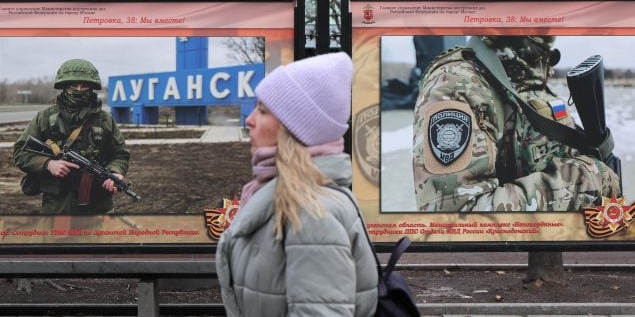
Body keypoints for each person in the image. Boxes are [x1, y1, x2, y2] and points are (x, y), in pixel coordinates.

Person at [216, 52, 378, 316]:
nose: (250, 120)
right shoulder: (281, 196)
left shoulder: (311, 213)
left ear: (295, 128)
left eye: (263, 110)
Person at [413, 36, 621, 212]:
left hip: (549, 253)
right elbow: (458, 217)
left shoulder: (527, 76)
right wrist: (587, 180)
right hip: (504, 259)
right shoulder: (458, 83)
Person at [13, 58, 130, 215]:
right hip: (57, 207)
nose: (79, 90)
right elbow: (21, 152)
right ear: (64, 87)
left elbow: (119, 154)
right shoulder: (45, 118)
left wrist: (115, 172)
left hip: (98, 207)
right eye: (74, 86)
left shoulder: (105, 120)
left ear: (92, 88)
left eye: (84, 86)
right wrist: (48, 164)